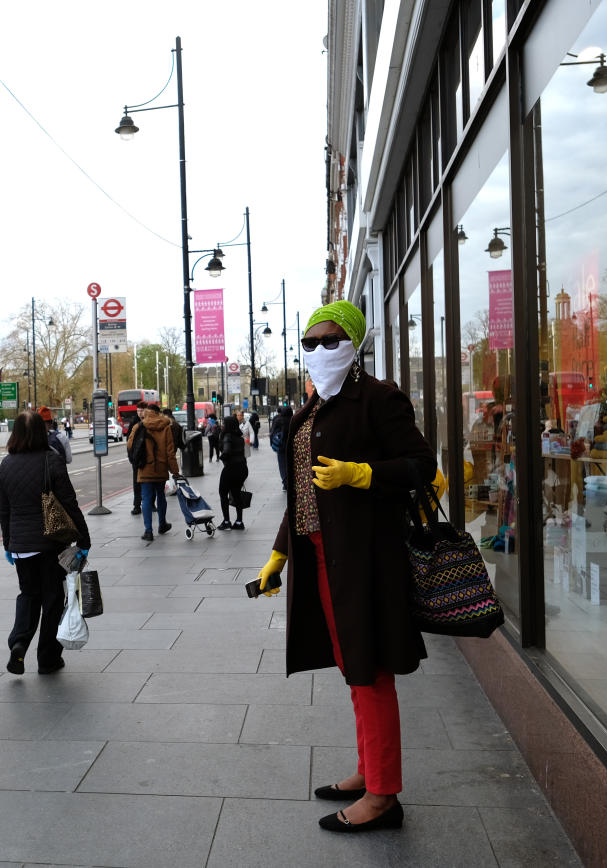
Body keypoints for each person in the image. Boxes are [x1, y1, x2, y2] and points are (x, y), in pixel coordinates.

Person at [255, 300, 434, 834]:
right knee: (353, 669)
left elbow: (421, 466)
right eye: (309, 343)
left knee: (371, 671)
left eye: (330, 341)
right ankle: (368, 770)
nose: (317, 351)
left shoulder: (379, 399)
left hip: (366, 561)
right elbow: (301, 494)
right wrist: (279, 553)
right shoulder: (311, 409)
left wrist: (362, 474)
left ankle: (383, 796)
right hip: (322, 557)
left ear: (354, 344)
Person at [0, 411, 90, 675]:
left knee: (28, 595)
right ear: (42, 432)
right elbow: (69, 502)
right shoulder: (51, 459)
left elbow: (5, 510)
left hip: (21, 547)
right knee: (51, 599)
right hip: (51, 545)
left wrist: (8, 543)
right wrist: (84, 539)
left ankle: (19, 643)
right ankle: (48, 659)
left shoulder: (6, 464)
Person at [128, 403, 179, 542]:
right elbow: (170, 452)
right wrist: (175, 471)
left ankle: (148, 531)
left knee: (146, 499)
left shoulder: (139, 426)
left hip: (144, 468)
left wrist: (135, 462)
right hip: (161, 469)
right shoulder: (166, 427)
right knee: (161, 496)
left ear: (147, 412)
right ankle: (162, 524)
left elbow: (130, 445)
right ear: (158, 413)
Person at [217, 414, 249, 530]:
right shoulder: (239, 438)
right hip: (242, 468)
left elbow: (226, 452)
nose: (223, 425)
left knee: (223, 493)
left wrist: (222, 458)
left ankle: (226, 521)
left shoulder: (227, 436)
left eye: (224, 423)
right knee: (236, 494)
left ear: (228, 425)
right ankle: (239, 521)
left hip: (231, 468)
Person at [127, 401, 149, 515]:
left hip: (148, 458)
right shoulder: (134, 423)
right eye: (138, 410)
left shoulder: (150, 422)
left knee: (149, 481)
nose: (139, 412)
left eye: (141, 410)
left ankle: (151, 503)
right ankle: (137, 505)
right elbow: (129, 442)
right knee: (136, 482)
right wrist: (131, 458)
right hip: (136, 459)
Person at [270, 406, 293, 490]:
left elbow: (272, 433)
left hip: (281, 447)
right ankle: (291, 481)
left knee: (282, 465)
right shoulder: (293, 420)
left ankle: (285, 482)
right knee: (291, 463)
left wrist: (272, 444)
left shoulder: (278, 420)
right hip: (291, 446)